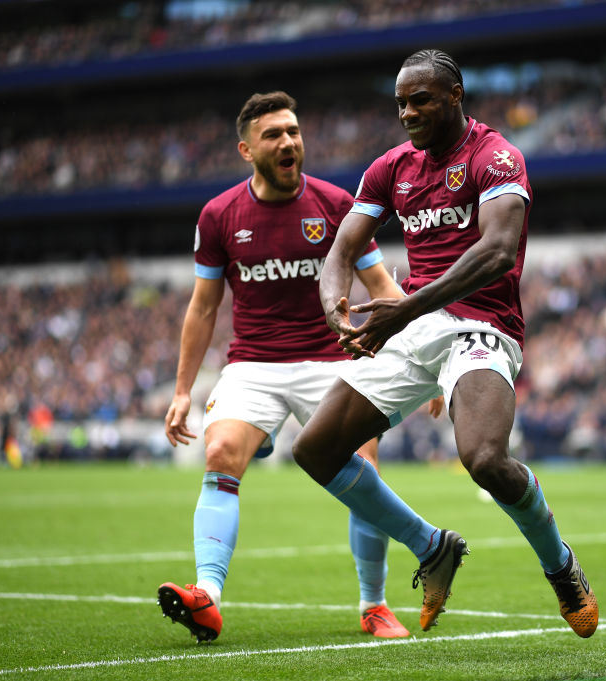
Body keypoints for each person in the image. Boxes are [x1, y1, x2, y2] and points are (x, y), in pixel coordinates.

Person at [289, 48, 599, 638]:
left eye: (421, 100)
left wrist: (403, 307)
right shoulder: (391, 167)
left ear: (455, 95)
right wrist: (336, 309)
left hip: (482, 323)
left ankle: (560, 566)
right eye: (401, 103)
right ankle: (431, 548)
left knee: (484, 460)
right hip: (414, 325)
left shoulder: (496, 156)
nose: (407, 112)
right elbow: (341, 251)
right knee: (315, 450)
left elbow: (497, 251)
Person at [157, 91, 416, 643]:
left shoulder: (337, 204)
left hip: (332, 360)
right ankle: (208, 596)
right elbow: (203, 308)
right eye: (273, 134)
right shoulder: (219, 215)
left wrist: (418, 352)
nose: (288, 142)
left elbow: (380, 287)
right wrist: (182, 391)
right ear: (246, 149)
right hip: (253, 363)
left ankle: (374, 605)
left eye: (293, 131)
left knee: (363, 470)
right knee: (221, 452)